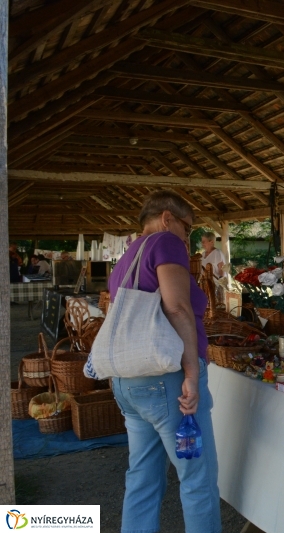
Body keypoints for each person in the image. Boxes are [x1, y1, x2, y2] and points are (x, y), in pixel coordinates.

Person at [108, 191, 221, 533]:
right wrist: (190, 372)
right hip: (167, 380)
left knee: (142, 479)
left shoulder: (127, 255)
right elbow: (177, 307)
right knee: (197, 481)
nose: (188, 239)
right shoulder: (164, 243)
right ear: (168, 217)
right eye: (188, 229)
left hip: (128, 381)